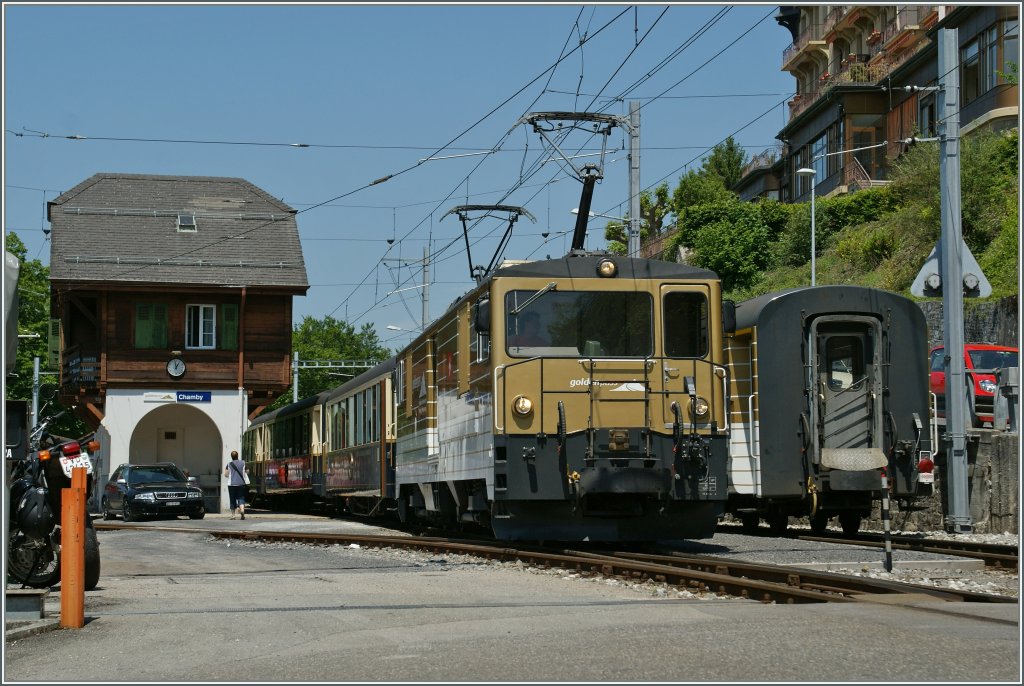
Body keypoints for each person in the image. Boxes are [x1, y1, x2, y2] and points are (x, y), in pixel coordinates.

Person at [224, 450, 248, 520]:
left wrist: (231, 475)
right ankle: (242, 511)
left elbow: (226, 474)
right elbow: (247, 471)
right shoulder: (243, 463)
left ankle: (233, 515)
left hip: (231, 485)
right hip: (241, 484)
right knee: (241, 498)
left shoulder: (229, 464)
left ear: (231, 457)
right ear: (237, 456)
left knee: (232, 499)